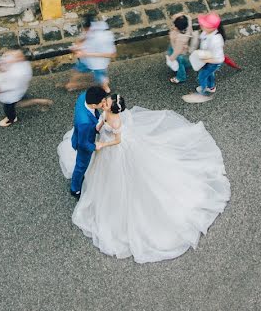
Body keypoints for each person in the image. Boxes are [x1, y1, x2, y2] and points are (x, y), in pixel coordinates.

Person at [58, 94, 230, 263]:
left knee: (126, 177)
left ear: (112, 108)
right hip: (104, 142)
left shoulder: (117, 121)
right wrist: (98, 127)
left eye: (107, 103)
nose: (104, 103)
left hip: (114, 148)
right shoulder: (105, 111)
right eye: (105, 101)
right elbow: (101, 123)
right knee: (99, 171)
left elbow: (117, 140)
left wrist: (103, 144)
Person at [0, 50, 52, 127]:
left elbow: (10, 85)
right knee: (20, 101)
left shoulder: (19, 72)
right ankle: (40, 101)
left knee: (9, 108)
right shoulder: (20, 64)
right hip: (17, 91)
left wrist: (0, 88)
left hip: (11, 95)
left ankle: (12, 118)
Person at [66, 86, 111, 198]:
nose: (104, 103)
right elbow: (83, 143)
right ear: (94, 105)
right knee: (81, 166)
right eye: (102, 102)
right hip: (84, 142)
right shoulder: (84, 122)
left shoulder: (84, 96)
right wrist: (95, 146)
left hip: (85, 130)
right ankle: (75, 189)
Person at [63, 15, 116, 92]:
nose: (85, 31)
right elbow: (83, 39)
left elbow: (111, 54)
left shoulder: (102, 37)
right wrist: (77, 47)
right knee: (78, 70)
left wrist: (85, 53)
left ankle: (106, 92)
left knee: (102, 80)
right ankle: (72, 84)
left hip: (98, 63)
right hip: (88, 60)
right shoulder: (93, 31)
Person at [183, 13, 226, 103]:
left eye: (204, 25)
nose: (201, 25)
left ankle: (202, 92)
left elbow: (219, 59)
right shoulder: (206, 32)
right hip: (207, 58)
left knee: (202, 76)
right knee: (209, 74)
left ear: (212, 28)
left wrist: (205, 60)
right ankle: (211, 87)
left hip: (213, 62)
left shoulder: (216, 40)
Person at [166, 13, 195, 84]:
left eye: (174, 25)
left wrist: (171, 59)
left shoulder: (180, 38)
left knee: (179, 64)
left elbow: (177, 51)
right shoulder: (188, 24)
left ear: (177, 28)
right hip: (184, 49)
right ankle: (188, 65)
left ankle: (181, 77)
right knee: (184, 60)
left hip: (179, 52)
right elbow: (187, 17)